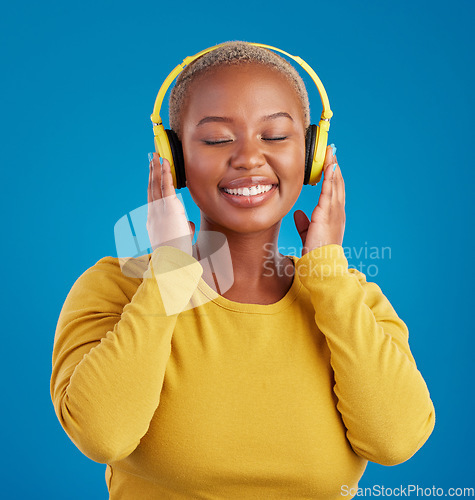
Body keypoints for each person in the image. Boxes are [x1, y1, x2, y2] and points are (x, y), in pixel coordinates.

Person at [50, 41, 435, 499]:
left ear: (311, 154)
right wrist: (170, 272)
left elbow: (396, 442)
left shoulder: (354, 303)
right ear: (174, 159)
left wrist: (328, 275)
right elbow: (102, 436)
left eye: (274, 136)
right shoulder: (115, 289)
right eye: (216, 139)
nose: (249, 158)